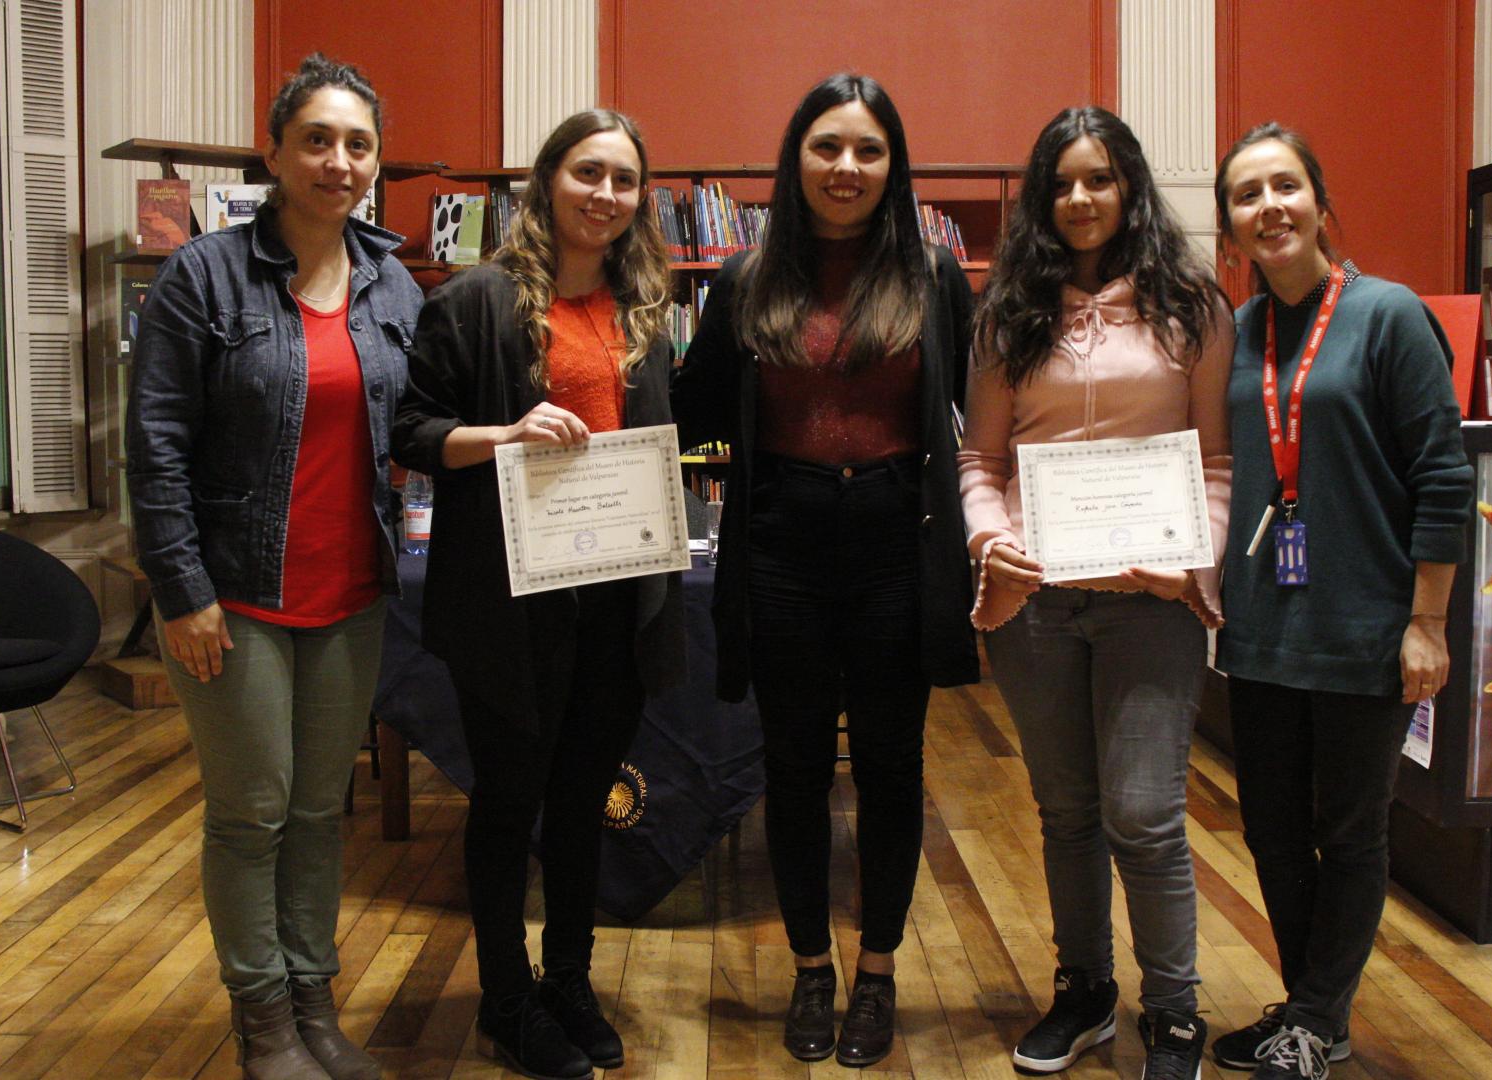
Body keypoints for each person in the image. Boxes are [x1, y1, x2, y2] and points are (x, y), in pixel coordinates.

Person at [672, 72, 978, 1069]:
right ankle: (811, 968)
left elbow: (976, 420)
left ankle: (877, 972)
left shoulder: (935, 277)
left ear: (894, 166)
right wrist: (728, 485)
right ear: (794, 157)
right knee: (794, 770)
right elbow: (693, 433)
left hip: (898, 546)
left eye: (868, 150)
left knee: (893, 770)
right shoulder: (743, 279)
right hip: (782, 553)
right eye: (827, 147)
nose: (846, 168)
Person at [126, 54, 419, 1080]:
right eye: (318, 140)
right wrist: (183, 594)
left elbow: (417, 423)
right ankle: (262, 1023)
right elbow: (153, 446)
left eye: (358, 144)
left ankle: (313, 1004)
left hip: (350, 597)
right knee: (250, 811)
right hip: (234, 598)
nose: (339, 162)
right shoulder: (199, 278)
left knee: (314, 809)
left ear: (375, 162)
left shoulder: (393, 282)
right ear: (276, 150)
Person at [391, 109, 683, 1080]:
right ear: (549, 179)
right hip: (514, 602)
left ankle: (569, 980)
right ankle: (506, 1003)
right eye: (587, 171)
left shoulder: (646, 310)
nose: (605, 193)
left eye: (625, 179)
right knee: (509, 802)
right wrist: (505, 436)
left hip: (615, 597)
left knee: (580, 799)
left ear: (641, 199)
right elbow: (412, 431)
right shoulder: (475, 300)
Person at [958, 106, 1232, 1080]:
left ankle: (1175, 1013)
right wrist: (993, 543)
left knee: (1147, 814)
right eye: (1063, 182)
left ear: (1130, 189)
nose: (1081, 199)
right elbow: (980, 461)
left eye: (1100, 179)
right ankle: (1084, 992)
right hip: (1036, 606)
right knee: (1067, 811)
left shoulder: (1192, 306)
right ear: (1042, 196)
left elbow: (1218, 460)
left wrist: (1192, 558)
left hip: (1148, 601)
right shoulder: (1006, 314)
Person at [1209, 123, 1472, 1080]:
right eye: (1247, 195)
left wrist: (1427, 621)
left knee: (1350, 830)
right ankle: (1304, 1006)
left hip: (1369, 628)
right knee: (1272, 828)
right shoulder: (1233, 334)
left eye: (1286, 187)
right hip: (1265, 627)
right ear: (1230, 227)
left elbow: (1444, 480)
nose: (1269, 206)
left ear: (1319, 202)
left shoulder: (1392, 316)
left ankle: (1321, 1019)